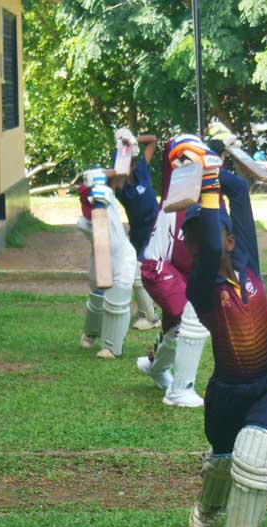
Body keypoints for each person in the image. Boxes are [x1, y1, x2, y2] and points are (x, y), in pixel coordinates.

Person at [173, 135, 267, 527]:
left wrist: (209, 165)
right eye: (188, 239)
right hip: (228, 391)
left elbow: (239, 192)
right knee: (224, 461)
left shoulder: (247, 263)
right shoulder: (201, 288)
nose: (195, 244)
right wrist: (199, 178)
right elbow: (206, 247)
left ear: (230, 239)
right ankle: (208, 505)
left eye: (204, 233)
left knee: (257, 453)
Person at [135, 138, 210, 408]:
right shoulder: (177, 189)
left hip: (176, 271)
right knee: (192, 320)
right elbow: (172, 150)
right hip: (157, 268)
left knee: (173, 327)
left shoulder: (205, 194)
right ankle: (180, 389)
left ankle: (155, 367)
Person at [77, 167, 138, 359]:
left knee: (116, 303)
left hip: (122, 258)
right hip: (101, 255)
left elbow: (119, 173)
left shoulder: (108, 198)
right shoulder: (84, 222)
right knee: (97, 295)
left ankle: (111, 347)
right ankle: (91, 333)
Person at [110, 127, 161, 331]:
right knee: (134, 269)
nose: (128, 165)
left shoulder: (141, 170)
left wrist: (132, 140)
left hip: (155, 227)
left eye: (129, 161)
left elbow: (153, 141)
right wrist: (121, 151)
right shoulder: (120, 184)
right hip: (138, 231)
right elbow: (114, 182)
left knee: (142, 269)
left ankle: (151, 317)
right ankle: (145, 312)